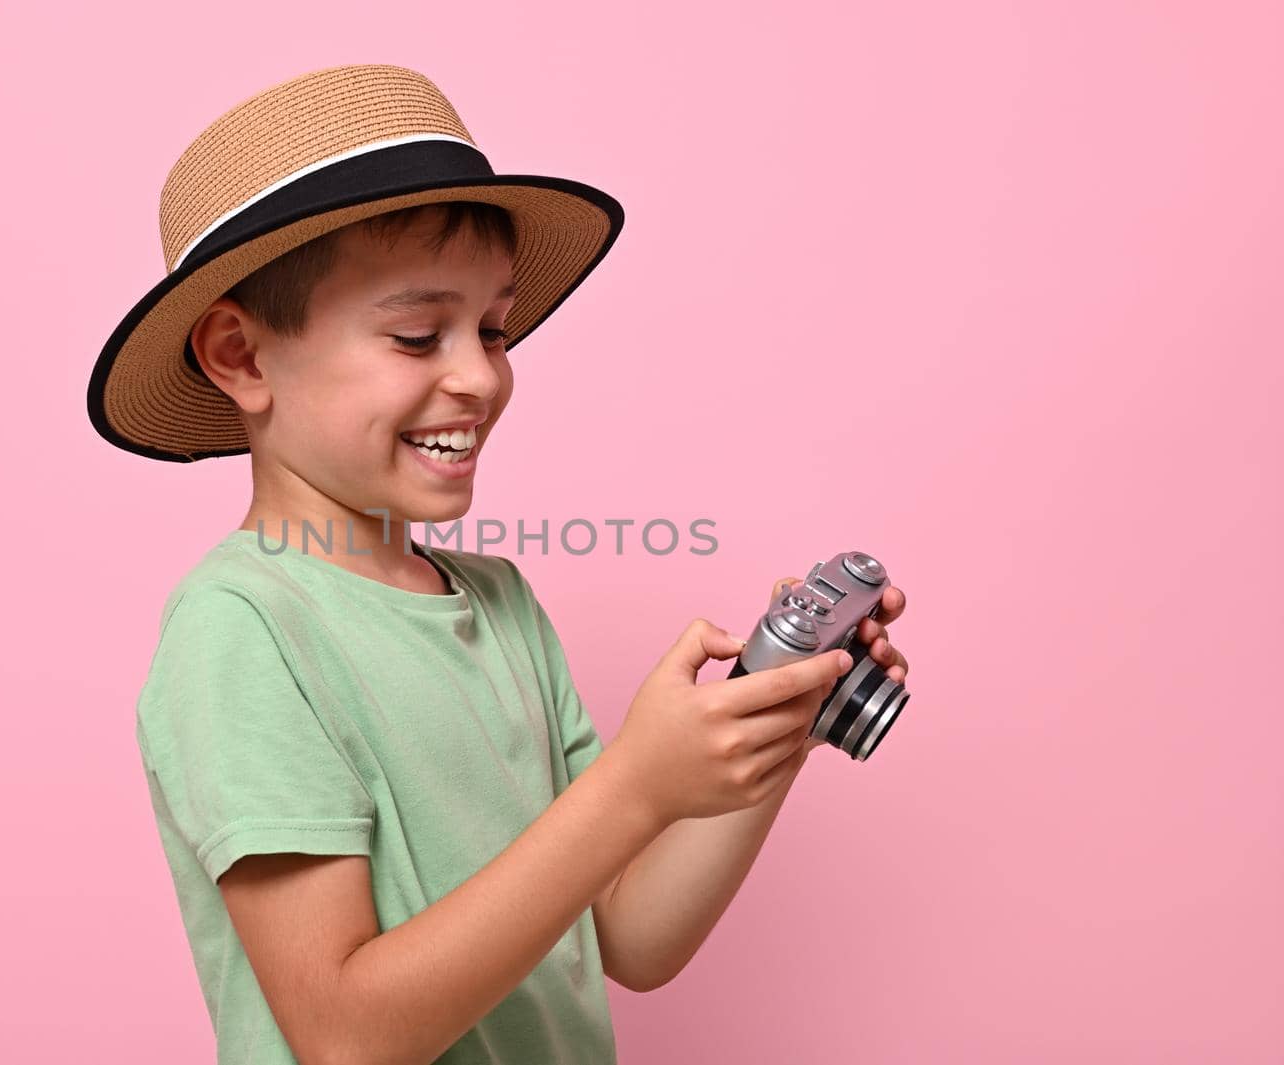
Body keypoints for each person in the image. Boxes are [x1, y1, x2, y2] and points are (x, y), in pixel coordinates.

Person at [90, 63, 910, 1065]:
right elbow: (343, 1036)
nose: (480, 376)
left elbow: (631, 936)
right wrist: (637, 790)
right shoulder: (242, 627)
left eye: (493, 329)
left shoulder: (501, 604)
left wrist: (776, 716)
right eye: (415, 334)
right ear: (242, 358)